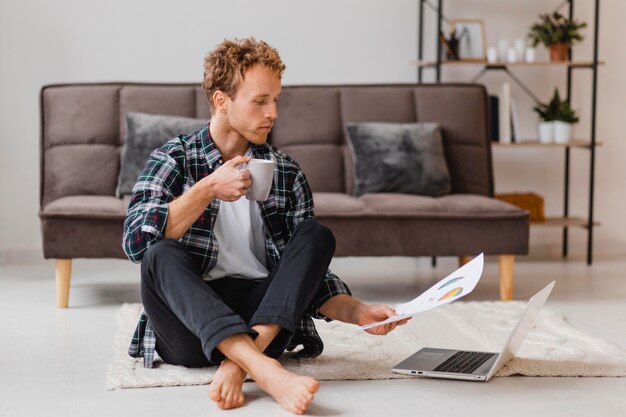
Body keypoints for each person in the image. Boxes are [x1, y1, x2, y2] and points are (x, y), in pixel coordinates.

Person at [122, 37, 408, 415]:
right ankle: (264, 370)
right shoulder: (173, 158)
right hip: (189, 330)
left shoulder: (286, 171)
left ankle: (243, 362)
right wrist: (207, 188)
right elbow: (135, 243)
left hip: (263, 321)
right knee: (160, 253)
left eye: (275, 100)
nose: (272, 112)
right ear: (222, 100)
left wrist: (357, 312)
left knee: (315, 236)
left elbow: (302, 272)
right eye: (260, 101)